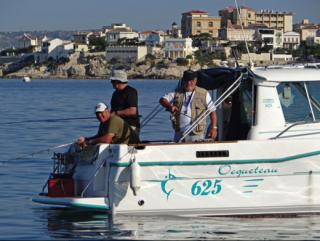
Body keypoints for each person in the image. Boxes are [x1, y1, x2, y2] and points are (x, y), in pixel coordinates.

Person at [159, 69, 217, 142]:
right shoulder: (177, 91)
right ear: (183, 80)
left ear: (195, 80)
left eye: (191, 80)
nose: (189, 82)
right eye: (186, 80)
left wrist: (213, 127)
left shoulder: (204, 93)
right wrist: (170, 106)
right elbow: (162, 100)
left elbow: (212, 111)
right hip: (179, 132)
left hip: (196, 133)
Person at [110, 70, 140, 136]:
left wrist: (116, 113)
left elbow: (132, 111)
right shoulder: (115, 93)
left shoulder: (131, 92)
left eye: (113, 81)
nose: (111, 82)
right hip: (116, 125)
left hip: (129, 125)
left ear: (118, 81)